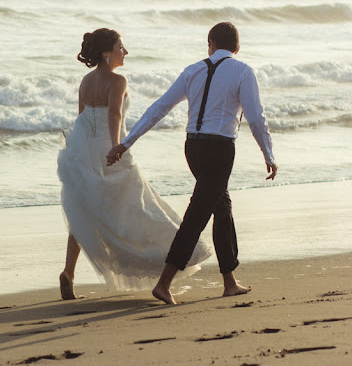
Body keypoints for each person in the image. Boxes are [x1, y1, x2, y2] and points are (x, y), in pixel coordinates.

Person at [107, 22, 278, 305]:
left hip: (193, 147)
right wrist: (268, 154)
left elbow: (159, 107)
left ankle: (229, 281)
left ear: (209, 43)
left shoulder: (193, 70)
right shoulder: (243, 71)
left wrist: (127, 142)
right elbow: (256, 117)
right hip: (220, 149)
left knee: (221, 208)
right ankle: (164, 282)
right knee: (198, 213)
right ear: (237, 47)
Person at [57, 28, 212, 300]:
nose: (125, 52)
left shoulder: (85, 81)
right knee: (136, 205)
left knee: (84, 210)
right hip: (109, 145)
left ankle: (68, 272)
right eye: (120, 47)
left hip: (83, 147)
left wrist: (79, 147)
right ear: (107, 53)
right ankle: (164, 259)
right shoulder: (117, 81)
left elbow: (82, 117)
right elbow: (115, 113)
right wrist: (118, 146)